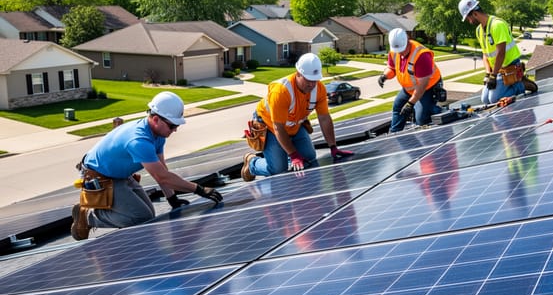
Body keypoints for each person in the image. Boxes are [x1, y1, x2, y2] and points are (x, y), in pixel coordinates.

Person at [70, 91, 223, 240]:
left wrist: (172, 199)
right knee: (140, 217)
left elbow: (162, 171)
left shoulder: (158, 135)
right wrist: (200, 190)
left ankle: (102, 212)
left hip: (119, 175)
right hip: (100, 177)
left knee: (149, 215)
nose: (175, 129)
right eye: (172, 126)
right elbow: (162, 177)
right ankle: (88, 215)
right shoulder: (139, 140)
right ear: (156, 119)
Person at [241, 53, 353, 181]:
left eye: (315, 80)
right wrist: (293, 155)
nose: (312, 84)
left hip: (294, 125)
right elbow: (278, 128)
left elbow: (324, 118)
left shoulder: (319, 89)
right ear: (298, 73)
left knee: (309, 157)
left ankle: (286, 153)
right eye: (308, 80)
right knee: (278, 169)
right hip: (270, 127)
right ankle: (252, 163)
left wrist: (333, 147)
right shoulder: (281, 91)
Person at [458, 0, 535, 104]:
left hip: (510, 66)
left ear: (474, 13)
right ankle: (510, 84)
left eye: (468, 18)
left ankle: (520, 84)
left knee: (494, 99)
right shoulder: (479, 30)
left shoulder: (497, 25)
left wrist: (493, 76)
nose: (469, 21)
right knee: (485, 99)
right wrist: (488, 74)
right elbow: (485, 54)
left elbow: (501, 53)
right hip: (497, 69)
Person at [378, 28, 444, 132]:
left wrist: (410, 103)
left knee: (421, 118)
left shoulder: (421, 55)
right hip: (409, 88)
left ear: (408, 40)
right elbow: (392, 68)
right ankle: (395, 133)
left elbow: (422, 86)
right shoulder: (395, 51)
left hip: (428, 87)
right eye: (398, 50)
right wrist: (384, 76)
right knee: (397, 107)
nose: (400, 53)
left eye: (402, 50)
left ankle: (439, 111)